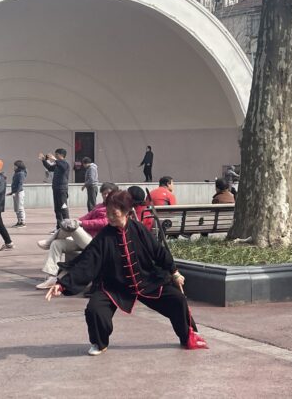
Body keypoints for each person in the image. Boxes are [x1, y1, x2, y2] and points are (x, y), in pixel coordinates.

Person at [44, 190, 206, 355]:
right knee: (94, 309)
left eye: (114, 213)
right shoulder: (104, 237)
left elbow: (159, 252)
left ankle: (188, 335)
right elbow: (87, 262)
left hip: (146, 281)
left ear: (127, 211)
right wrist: (62, 284)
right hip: (114, 286)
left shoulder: (139, 229)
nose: (110, 217)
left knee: (177, 299)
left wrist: (175, 272)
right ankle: (99, 343)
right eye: (108, 213)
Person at [35, 182, 119, 290]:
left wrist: (80, 224)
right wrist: (75, 221)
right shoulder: (99, 206)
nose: (106, 196)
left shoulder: (115, 207)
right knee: (57, 244)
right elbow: (86, 217)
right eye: (104, 193)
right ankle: (52, 277)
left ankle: (49, 241)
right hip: (85, 238)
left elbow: (104, 222)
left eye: (108, 193)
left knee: (73, 227)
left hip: (97, 243)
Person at [39, 149, 70, 230]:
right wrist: (44, 160)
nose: (54, 156)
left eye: (56, 154)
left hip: (62, 189)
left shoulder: (65, 164)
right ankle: (59, 227)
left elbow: (63, 167)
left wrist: (54, 160)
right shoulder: (57, 164)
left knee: (63, 207)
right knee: (57, 209)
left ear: (61, 155)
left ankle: (68, 226)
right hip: (56, 188)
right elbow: (49, 168)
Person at [9, 160, 27, 228]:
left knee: (20, 207)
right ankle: (19, 221)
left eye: (15, 166)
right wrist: (12, 192)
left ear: (19, 166)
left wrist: (16, 192)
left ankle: (23, 222)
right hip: (16, 192)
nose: (14, 167)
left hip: (19, 192)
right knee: (16, 208)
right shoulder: (17, 173)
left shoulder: (21, 173)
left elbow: (20, 184)